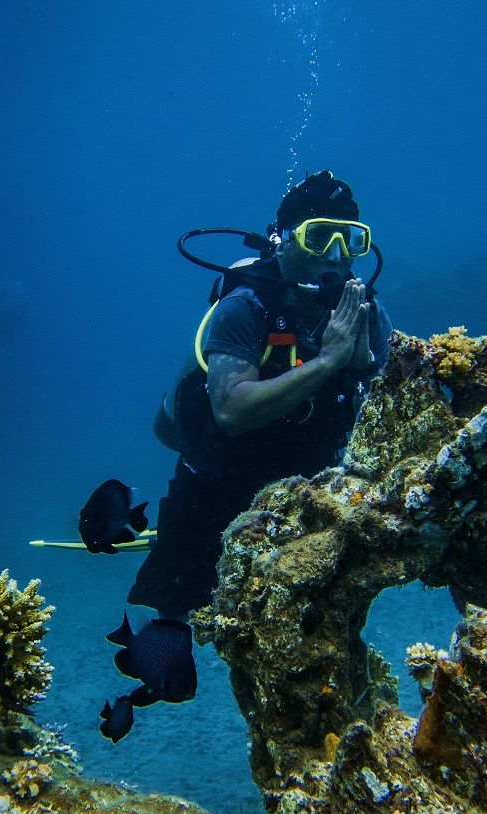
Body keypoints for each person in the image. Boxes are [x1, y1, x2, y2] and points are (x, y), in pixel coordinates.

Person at [128, 171, 394, 619]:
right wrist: (328, 361)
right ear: (285, 240)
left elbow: (391, 411)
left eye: (350, 240)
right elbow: (231, 411)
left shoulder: (365, 313)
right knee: (172, 616)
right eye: (319, 238)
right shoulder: (245, 306)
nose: (336, 255)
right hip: (220, 478)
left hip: (307, 487)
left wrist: (364, 365)